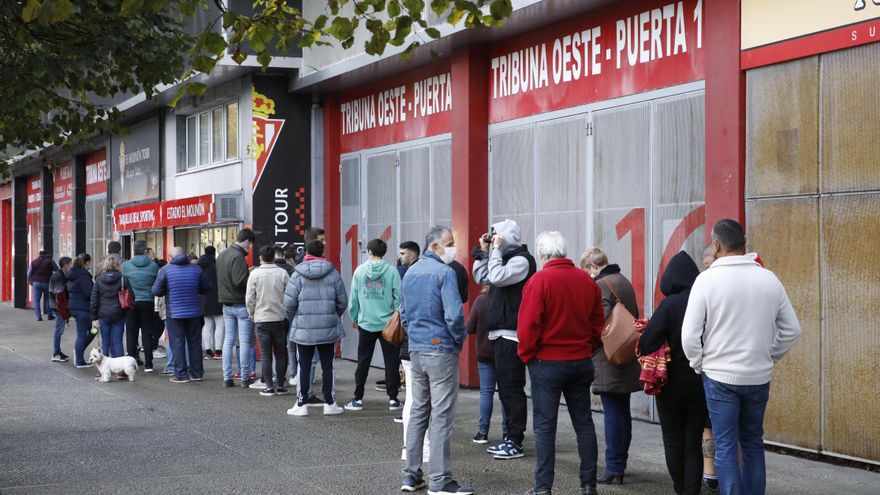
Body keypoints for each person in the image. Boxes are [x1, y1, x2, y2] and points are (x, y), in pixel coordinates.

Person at [682, 219, 801, 495]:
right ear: (743, 242)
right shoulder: (768, 278)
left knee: (725, 445)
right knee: (752, 443)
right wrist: (770, 355)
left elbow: (689, 335)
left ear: (716, 244)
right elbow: (792, 330)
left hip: (719, 375)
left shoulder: (706, 280)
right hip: (758, 375)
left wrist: (699, 363)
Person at [518, 231, 604, 495]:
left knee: (545, 427)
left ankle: (543, 487)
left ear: (542, 254)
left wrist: (527, 355)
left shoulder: (538, 281)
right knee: (584, 422)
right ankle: (588, 484)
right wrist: (587, 346)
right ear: (564, 252)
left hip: (547, 362)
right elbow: (597, 322)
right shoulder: (587, 280)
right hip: (580, 360)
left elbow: (528, 325)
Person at [400, 225, 473, 495]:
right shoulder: (444, 273)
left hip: (417, 349)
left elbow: (404, 313)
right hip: (440, 349)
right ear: (434, 246)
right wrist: (457, 340)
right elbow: (454, 315)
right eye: (449, 243)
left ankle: (411, 475)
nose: (453, 247)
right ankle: (440, 480)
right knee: (441, 415)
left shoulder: (410, 273)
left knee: (419, 411)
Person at [638, 251, 706, 495]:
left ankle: (681, 489)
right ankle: (692, 491)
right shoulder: (705, 300)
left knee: (673, 441)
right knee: (693, 443)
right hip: (700, 381)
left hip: (671, 385)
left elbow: (645, 343)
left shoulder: (669, 305)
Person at [472, 219, 537, 461]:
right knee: (505, 390)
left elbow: (497, 277)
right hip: (498, 333)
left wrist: (496, 251)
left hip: (513, 334)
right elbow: (482, 277)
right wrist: (485, 252)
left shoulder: (522, 260)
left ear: (508, 236)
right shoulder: (500, 257)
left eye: (497, 236)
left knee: (512, 389)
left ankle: (515, 441)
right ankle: (509, 437)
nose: (494, 238)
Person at [580, 247, 641, 484]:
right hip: (626, 353)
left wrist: (589, 344)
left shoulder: (601, 284)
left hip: (608, 356)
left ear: (594, 266)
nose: (588, 276)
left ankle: (614, 467)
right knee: (622, 411)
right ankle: (620, 463)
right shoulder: (623, 280)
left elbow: (598, 321)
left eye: (587, 271)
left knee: (613, 413)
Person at [284, 239, 348, 417]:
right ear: (322, 253)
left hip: (303, 328)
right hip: (328, 327)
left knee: (303, 365)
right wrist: (331, 315)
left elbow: (288, 304)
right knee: (328, 365)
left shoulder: (297, 275)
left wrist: (296, 318)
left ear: (306, 253)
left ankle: (301, 403)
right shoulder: (333, 273)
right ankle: (330, 403)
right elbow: (342, 302)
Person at [344, 238, 402, 412]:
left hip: (366, 323)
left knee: (363, 361)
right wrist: (396, 315)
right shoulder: (392, 271)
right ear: (384, 252)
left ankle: (357, 399)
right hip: (387, 324)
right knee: (391, 362)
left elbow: (353, 299)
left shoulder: (360, 271)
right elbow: (399, 297)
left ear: (369, 251)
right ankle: (393, 399)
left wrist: (355, 317)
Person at [152, 246, 212, 384]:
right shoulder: (196, 269)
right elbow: (207, 288)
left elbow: (156, 291)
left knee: (177, 343)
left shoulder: (165, 270)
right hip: (194, 312)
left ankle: (181, 374)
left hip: (175, 313)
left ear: (170, 257)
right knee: (195, 343)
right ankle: (197, 373)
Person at [247, 245, 291, 395]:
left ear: (260, 258)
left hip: (261, 318)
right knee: (280, 351)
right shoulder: (283, 273)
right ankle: (280, 385)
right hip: (279, 318)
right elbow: (289, 296)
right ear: (274, 257)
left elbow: (250, 298)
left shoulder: (254, 274)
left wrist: (252, 314)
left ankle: (269, 387)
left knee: (265, 353)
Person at [466, 284, 507, 444]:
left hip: (484, 352)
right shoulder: (507, 299)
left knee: (486, 391)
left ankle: (483, 432)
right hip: (505, 351)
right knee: (506, 392)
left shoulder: (481, 300)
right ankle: (507, 432)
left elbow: (469, 328)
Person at [217, 228, 256, 386]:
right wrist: (250, 274)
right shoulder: (238, 256)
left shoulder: (222, 255)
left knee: (228, 340)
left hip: (226, 304)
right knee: (245, 342)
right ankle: (245, 377)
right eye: (250, 244)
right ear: (246, 241)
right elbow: (239, 281)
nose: (250, 247)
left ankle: (227, 377)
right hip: (240, 304)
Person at [122, 240, 159, 370]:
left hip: (131, 302)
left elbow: (123, 283)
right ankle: (149, 364)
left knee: (131, 333)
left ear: (134, 250)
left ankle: (131, 363)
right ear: (145, 251)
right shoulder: (153, 266)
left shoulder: (126, 265)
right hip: (148, 301)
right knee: (147, 332)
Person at [700, 244, 719, 493]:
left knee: (711, 426)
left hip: (713, 366)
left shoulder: (706, 286)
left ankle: (712, 474)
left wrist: (697, 363)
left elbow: (692, 332)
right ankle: (712, 473)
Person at [90, 256, 132, 360]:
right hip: (119, 314)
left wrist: (94, 317)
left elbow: (94, 300)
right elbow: (131, 297)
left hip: (103, 315)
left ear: (105, 266)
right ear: (118, 265)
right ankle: (120, 371)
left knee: (105, 341)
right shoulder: (123, 279)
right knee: (117, 341)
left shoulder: (99, 280)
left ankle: (103, 369)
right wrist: (126, 312)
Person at [67, 254, 95, 368]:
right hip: (83, 308)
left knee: (91, 331)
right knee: (87, 332)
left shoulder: (71, 274)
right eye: (90, 262)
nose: (91, 265)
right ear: (86, 263)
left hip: (74, 307)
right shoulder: (84, 276)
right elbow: (89, 293)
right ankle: (79, 360)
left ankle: (79, 351)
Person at [198, 246, 224, 360]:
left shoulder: (199, 266)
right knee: (220, 324)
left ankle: (208, 351)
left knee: (207, 324)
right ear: (214, 254)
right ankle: (218, 351)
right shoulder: (217, 266)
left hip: (203, 298)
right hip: (217, 297)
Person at [49, 256, 73, 362]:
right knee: (58, 330)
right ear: (65, 265)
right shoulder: (59, 277)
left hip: (58, 306)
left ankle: (57, 351)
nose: (71, 266)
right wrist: (63, 310)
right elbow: (59, 296)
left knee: (59, 329)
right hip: (58, 307)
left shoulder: (60, 275)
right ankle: (56, 353)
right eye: (69, 264)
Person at [27, 249, 58, 321]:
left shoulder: (34, 262)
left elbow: (29, 273)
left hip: (36, 283)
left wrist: (29, 281)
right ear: (46, 254)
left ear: (39, 254)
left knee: (36, 300)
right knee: (48, 299)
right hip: (47, 282)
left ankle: (38, 316)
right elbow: (56, 269)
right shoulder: (50, 261)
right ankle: (50, 315)